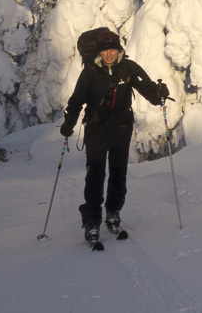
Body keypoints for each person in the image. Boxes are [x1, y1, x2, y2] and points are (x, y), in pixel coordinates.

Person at [60, 27, 169, 244]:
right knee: (96, 172)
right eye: (105, 50)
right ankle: (92, 221)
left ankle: (113, 213)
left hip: (121, 126)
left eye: (113, 50)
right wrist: (69, 123)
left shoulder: (127, 68)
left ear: (118, 50)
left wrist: (159, 94)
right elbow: (76, 100)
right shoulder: (90, 72)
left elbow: (147, 89)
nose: (109, 54)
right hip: (96, 127)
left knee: (119, 171)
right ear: (99, 53)